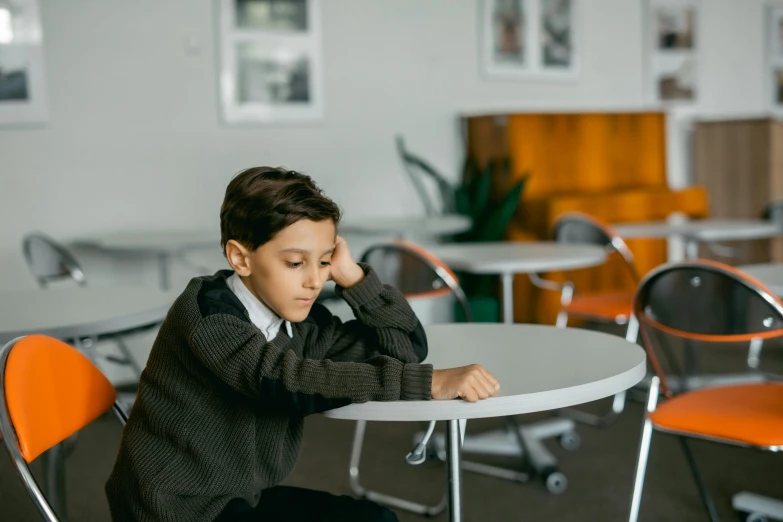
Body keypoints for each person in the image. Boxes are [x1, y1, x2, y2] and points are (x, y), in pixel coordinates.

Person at [105, 166, 500, 521]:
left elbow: (407, 347)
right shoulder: (208, 317)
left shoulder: (298, 321)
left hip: (238, 495)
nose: (314, 280)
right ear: (241, 259)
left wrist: (353, 278)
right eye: (296, 263)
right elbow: (286, 382)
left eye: (323, 261)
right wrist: (424, 383)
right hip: (177, 508)